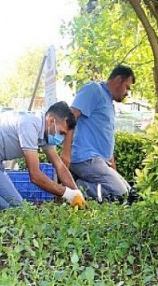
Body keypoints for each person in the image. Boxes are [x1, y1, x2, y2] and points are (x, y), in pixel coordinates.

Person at [0, 101, 86, 209]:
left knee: (15, 203)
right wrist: (67, 194)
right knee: (15, 207)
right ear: (51, 121)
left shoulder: (44, 131)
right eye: (61, 133)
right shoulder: (29, 125)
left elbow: (59, 166)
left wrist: (77, 193)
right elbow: (35, 176)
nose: (61, 138)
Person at [61, 65, 134, 201]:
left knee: (129, 192)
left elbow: (105, 139)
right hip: (85, 158)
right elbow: (70, 116)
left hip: (99, 162)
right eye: (127, 87)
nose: (127, 93)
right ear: (119, 80)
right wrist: (66, 153)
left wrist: (113, 172)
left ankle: (77, 187)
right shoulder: (94, 90)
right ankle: (73, 189)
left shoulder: (109, 103)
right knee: (121, 194)